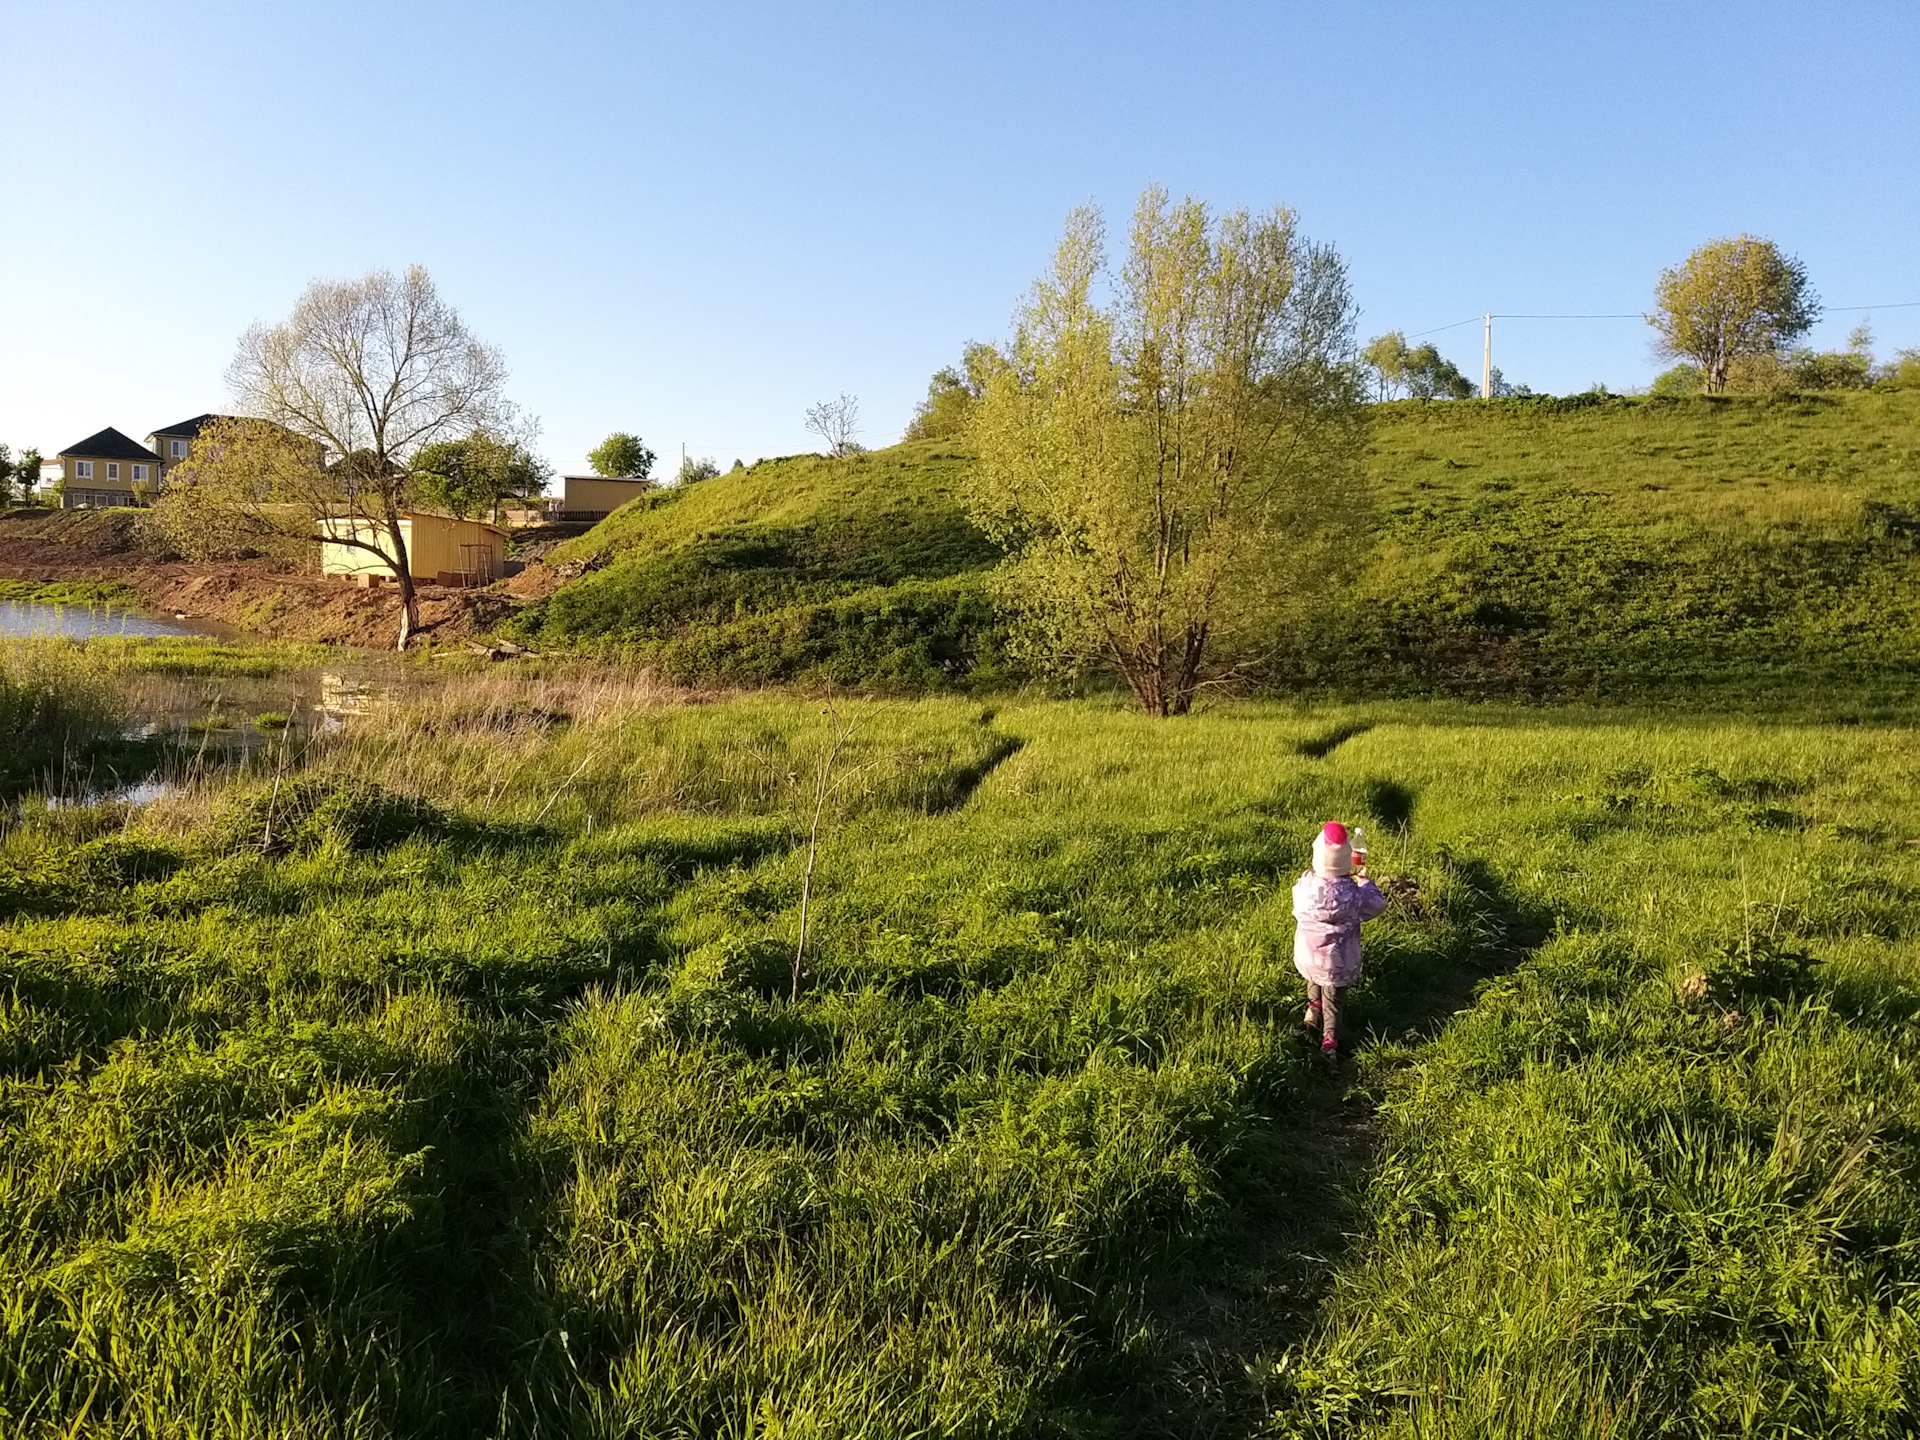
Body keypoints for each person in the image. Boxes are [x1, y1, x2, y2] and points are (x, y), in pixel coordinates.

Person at [1292, 821, 1387, 1061]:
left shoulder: (1305, 886)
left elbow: (1301, 898)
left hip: (1309, 955)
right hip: (1339, 961)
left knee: (1314, 977)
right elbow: (1377, 905)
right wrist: (1364, 881)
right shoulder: (1354, 895)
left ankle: (1313, 1010)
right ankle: (1330, 1043)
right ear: (1346, 862)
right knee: (1334, 999)